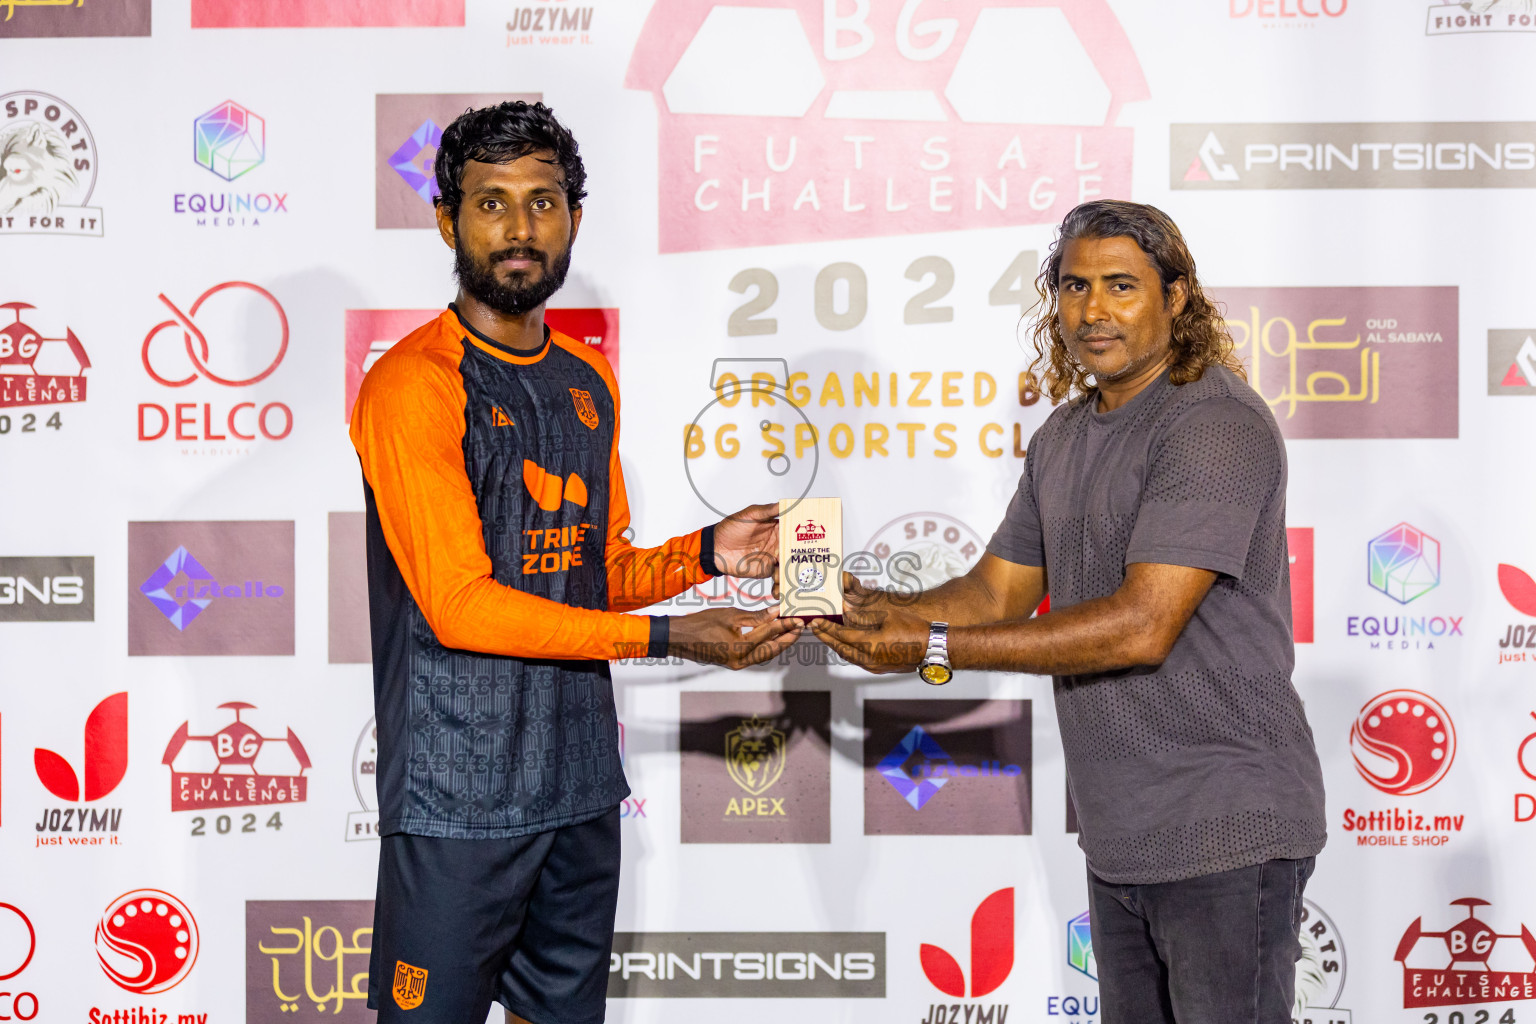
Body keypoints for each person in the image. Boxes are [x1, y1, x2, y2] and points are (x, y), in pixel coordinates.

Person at [814, 200, 1326, 1022]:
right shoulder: (1062, 436)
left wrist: (933, 642)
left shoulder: (1213, 424)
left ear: (1178, 298)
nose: (1093, 310)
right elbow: (993, 594)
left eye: (1121, 285)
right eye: (1074, 286)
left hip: (1227, 828)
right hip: (1122, 834)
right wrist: (880, 612)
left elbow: (1141, 625)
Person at [349, 101, 799, 1024]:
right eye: (491, 203)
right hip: (456, 797)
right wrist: (672, 636)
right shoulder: (413, 383)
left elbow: (596, 572)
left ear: (574, 218)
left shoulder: (586, 380)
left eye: (543, 202)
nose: (519, 229)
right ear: (447, 220)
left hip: (580, 787)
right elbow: (462, 606)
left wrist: (709, 554)